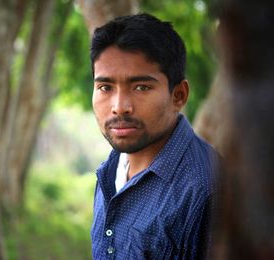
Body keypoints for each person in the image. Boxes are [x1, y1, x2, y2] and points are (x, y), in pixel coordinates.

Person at [90, 13, 219, 259]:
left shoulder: (208, 189)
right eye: (105, 87)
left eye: (141, 87)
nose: (119, 107)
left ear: (178, 95)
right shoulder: (110, 169)